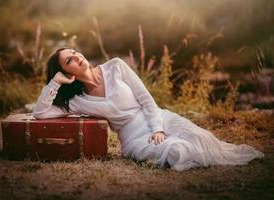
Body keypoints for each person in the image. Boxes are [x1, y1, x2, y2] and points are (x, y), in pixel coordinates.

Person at [32, 47, 265, 171]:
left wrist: (158, 128)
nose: (76, 57)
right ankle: (175, 149)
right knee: (176, 151)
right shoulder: (77, 101)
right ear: (65, 72)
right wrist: (55, 83)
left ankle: (191, 144)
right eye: (68, 61)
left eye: (74, 52)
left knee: (201, 137)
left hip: (158, 118)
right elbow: (40, 113)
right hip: (133, 138)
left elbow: (145, 97)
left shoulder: (115, 66)